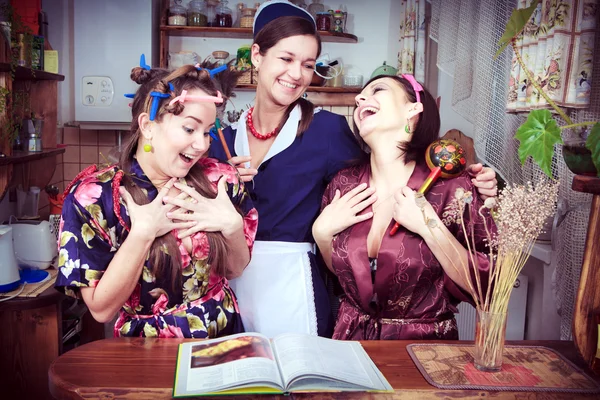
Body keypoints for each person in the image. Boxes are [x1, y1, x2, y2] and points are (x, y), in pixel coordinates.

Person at [209, 0, 497, 338]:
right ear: (257, 55)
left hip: (294, 288)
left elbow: (388, 161)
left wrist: (477, 181)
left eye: (308, 64)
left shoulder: (327, 131)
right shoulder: (217, 141)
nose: (296, 73)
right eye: (285, 59)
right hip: (224, 286)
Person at [55, 63, 258, 338]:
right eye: (189, 129)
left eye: (207, 131)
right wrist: (143, 233)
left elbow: (234, 270)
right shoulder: (95, 198)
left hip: (222, 338)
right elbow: (101, 310)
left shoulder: (220, 181)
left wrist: (232, 225)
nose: (201, 144)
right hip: (148, 353)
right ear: (148, 126)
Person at [312, 74, 496, 340]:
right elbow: (342, 274)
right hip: (350, 345)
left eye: (378, 89)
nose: (360, 98)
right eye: (361, 94)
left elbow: (488, 288)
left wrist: (429, 227)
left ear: (413, 109)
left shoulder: (454, 188)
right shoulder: (343, 183)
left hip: (423, 353)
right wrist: (322, 235)